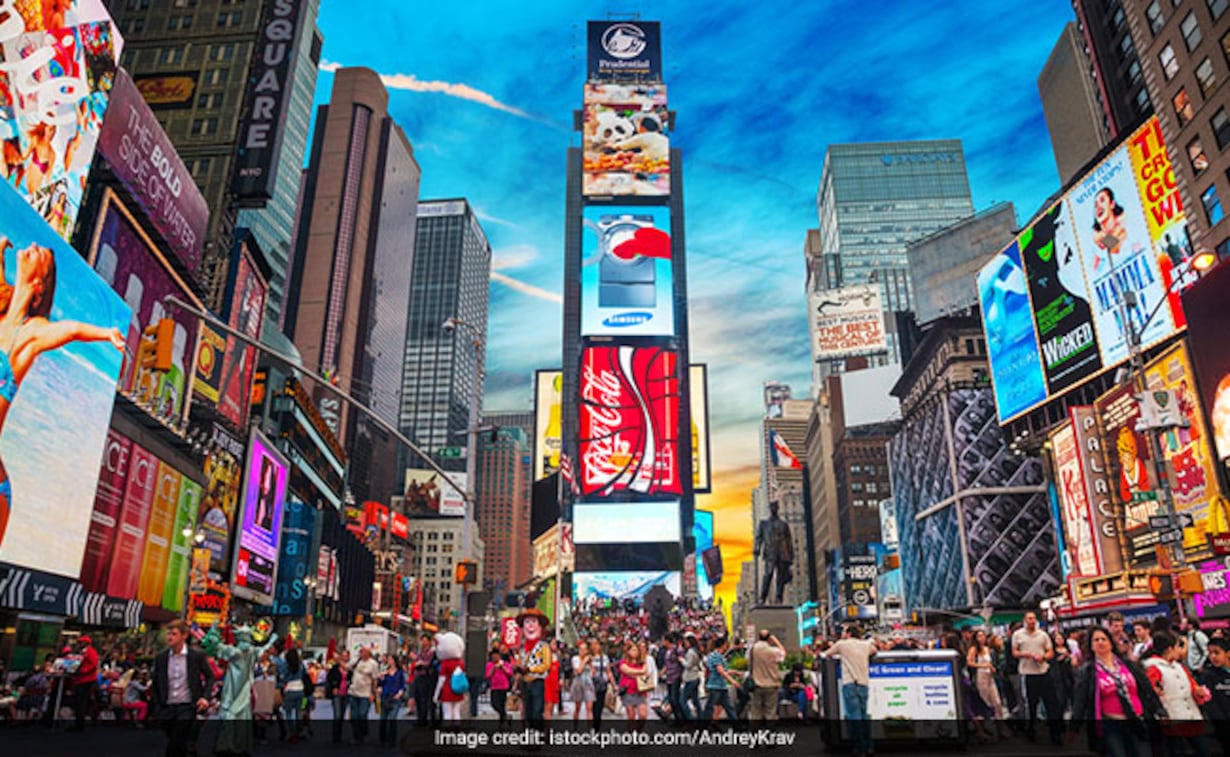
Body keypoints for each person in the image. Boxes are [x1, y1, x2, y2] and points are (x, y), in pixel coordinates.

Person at [0, 238, 126, 546]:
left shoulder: (33, 332)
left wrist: (106, 333)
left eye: (41, 254)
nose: (33, 245)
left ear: (40, 284)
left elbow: (70, 330)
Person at [1070, 625, 1163, 757]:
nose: (1100, 642)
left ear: (1111, 643)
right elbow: (1080, 700)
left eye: (1104, 639)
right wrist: (1074, 725)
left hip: (1137, 720)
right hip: (1111, 726)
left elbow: (1146, 687)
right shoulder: (1088, 671)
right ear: (1091, 646)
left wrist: (1159, 709)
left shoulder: (1128, 665)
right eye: (1096, 640)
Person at [1143, 632, 1212, 757]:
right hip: (1173, 721)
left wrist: (1198, 692)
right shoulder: (1153, 668)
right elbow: (1153, 693)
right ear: (1170, 649)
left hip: (1192, 717)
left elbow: (1193, 686)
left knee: (1204, 750)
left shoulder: (1180, 667)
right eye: (1178, 647)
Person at [151, 620, 214, 757]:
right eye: (168, 634)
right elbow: (156, 682)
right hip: (166, 707)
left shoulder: (195, 656)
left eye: (174, 634)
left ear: (184, 636)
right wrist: (157, 706)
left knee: (175, 740)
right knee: (178, 741)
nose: (170, 637)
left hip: (187, 706)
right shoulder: (161, 657)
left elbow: (210, 676)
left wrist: (205, 697)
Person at [823, 624, 877, 757]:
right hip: (863, 683)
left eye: (844, 631)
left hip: (850, 683)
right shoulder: (865, 645)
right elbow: (874, 651)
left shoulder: (842, 644)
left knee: (854, 716)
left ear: (848, 633)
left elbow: (827, 654)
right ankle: (869, 746)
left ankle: (860, 748)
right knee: (864, 715)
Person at [1012, 611, 1062, 746]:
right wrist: (1025, 654)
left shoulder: (1043, 635)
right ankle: (1031, 731)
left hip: (1044, 672)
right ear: (1024, 620)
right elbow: (1014, 652)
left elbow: (1051, 652)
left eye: (1033, 618)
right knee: (1031, 705)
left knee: (1052, 705)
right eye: (1029, 618)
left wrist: (1043, 657)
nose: (1031, 621)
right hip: (1028, 674)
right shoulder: (1018, 635)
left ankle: (1055, 735)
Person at [968, 629, 1008, 737]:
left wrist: (992, 667)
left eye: (983, 635)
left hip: (990, 676)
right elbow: (969, 662)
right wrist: (983, 666)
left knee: (997, 702)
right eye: (979, 636)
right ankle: (983, 730)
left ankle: (1000, 728)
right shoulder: (974, 649)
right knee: (984, 702)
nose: (982, 638)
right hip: (981, 677)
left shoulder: (988, 649)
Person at [1197, 637, 1230, 748]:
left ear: (1228, 653)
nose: (1213, 657)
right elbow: (1210, 704)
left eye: (1217, 652)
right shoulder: (1207, 675)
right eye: (1210, 653)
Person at [747, 629, 786, 722]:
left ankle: (755, 732)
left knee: (756, 711)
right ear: (769, 638)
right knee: (770, 711)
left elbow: (748, 660)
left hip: (757, 684)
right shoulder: (773, 651)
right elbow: (783, 653)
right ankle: (769, 731)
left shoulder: (753, 649)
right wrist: (776, 641)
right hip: (771, 684)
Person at [701, 635, 741, 724]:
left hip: (721, 686)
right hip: (715, 686)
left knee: (728, 707)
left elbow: (723, 670)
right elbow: (720, 671)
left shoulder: (718, 656)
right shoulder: (716, 656)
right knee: (710, 707)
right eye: (726, 644)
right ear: (723, 645)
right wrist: (732, 680)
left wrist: (734, 672)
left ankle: (737, 725)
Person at [348, 646, 380, 744]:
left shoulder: (373, 664)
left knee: (362, 714)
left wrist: (373, 693)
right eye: (360, 651)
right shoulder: (356, 661)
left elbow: (375, 680)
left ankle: (364, 733)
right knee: (354, 715)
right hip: (353, 692)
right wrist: (338, 660)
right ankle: (356, 736)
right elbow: (347, 667)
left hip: (366, 693)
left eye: (363, 651)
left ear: (368, 653)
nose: (361, 653)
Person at [68, 635, 99, 732]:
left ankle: (79, 724)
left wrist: (81, 671)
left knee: (81, 702)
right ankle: (78, 722)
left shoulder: (91, 652)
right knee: (78, 702)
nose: (79, 644)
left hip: (86, 679)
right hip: (81, 679)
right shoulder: (82, 652)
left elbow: (93, 665)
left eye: (81, 642)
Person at [619, 641, 650, 729]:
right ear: (628, 652)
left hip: (640, 690)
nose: (634, 652)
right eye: (632, 650)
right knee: (631, 715)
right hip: (628, 691)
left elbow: (645, 671)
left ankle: (639, 731)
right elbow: (627, 671)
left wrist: (634, 673)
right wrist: (639, 673)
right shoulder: (623, 662)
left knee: (643, 715)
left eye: (636, 650)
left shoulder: (642, 662)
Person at [378, 654, 406, 747]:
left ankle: (392, 740)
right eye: (388, 659)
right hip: (385, 696)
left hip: (395, 697)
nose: (389, 661)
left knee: (392, 718)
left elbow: (402, 685)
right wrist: (381, 680)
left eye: (390, 659)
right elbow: (380, 684)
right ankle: (383, 739)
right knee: (383, 719)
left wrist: (400, 693)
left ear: (394, 661)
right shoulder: (384, 671)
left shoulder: (400, 673)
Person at [411, 634, 437, 727]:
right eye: (422, 640)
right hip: (418, 676)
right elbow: (417, 660)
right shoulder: (420, 651)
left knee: (425, 699)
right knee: (418, 698)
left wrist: (421, 663)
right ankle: (421, 719)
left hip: (427, 677)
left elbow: (428, 663)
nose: (423, 643)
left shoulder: (432, 652)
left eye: (425, 640)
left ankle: (426, 719)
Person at [486, 649, 515, 728]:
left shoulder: (505, 664)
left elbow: (510, 673)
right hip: (494, 687)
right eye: (494, 656)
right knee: (494, 704)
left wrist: (503, 667)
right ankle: (506, 716)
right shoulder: (489, 664)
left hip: (503, 686)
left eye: (497, 656)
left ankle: (502, 722)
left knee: (502, 704)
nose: (495, 657)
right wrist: (494, 668)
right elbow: (488, 675)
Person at [325, 650, 350, 744]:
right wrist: (334, 687)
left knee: (342, 715)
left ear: (348, 657)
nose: (344, 657)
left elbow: (352, 678)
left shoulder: (349, 669)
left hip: (346, 693)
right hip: (337, 693)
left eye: (345, 656)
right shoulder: (335, 668)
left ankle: (339, 734)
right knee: (337, 715)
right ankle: (335, 735)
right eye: (342, 656)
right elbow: (329, 679)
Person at [660, 633, 684, 723]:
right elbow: (667, 664)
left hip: (676, 676)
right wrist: (662, 672)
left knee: (675, 698)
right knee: (670, 698)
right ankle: (676, 717)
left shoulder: (677, 650)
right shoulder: (667, 651)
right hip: (669, 676)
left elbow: (681, 661)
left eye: (663, 640)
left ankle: (680, 718)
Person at [569, 642, 594, 726]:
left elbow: (593, 673)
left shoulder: (589, 659)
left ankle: (590, 729)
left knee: (589, 708)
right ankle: (575, 726)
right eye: (581, 649)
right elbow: (578, 671)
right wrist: (584, 661)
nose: (582, 651)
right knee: (577, 707)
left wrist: (590, 664)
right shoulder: (575, 659)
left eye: (584, 649)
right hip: (578, 684)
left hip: (588, 684)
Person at [680, 633, 703, 721]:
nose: (685, 643)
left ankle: (689, 718)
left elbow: (688, 665)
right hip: (696, 677)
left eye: (686, 642)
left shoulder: (690, 652)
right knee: (695, 700)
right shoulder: (696, 651)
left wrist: (682, 660)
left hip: (690, 678)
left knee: (683, 700)